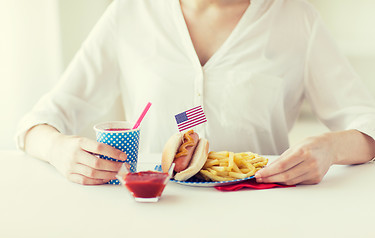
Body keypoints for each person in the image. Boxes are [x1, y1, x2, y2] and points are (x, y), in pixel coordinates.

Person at [17, 0, 375, 185]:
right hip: (154, 214)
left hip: (263, 215)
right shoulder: (130, 13)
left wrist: (330, 148)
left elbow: (367, 124)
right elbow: (39, 121)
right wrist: (58, 149)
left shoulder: (296, 18)